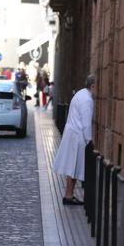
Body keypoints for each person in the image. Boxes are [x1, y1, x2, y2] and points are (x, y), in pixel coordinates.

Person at [53, 75, 96, 205]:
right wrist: (89, 140)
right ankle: (68, 195)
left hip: (73, 133)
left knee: (72, 166)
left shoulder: (81, 94)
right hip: (78, 136)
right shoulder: (87, 100)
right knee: (74, 167)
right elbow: (86, 122)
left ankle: (69, 195)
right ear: (93, 86)